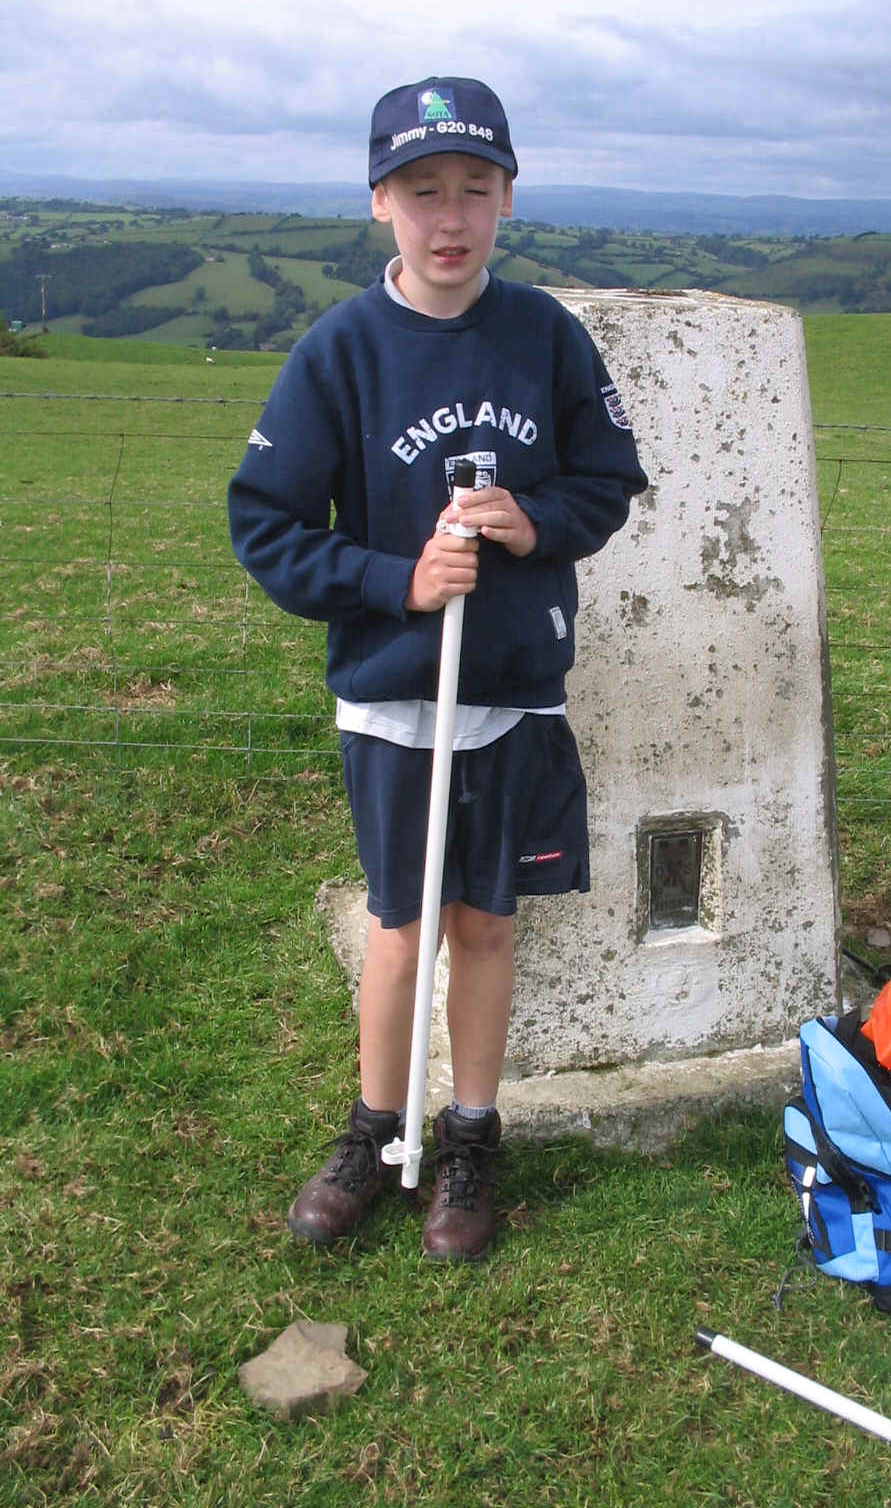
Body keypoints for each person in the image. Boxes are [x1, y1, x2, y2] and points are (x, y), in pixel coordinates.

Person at [228, 76, 647, 1262]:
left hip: (508, 690)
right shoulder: (341, 352)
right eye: (423, 193)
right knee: (401, 922)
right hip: (394, 690)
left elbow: (608, 481)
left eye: (474, 189)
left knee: (489, 922)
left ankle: (469, 1137)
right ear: (380, 204)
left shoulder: (545, 335)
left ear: (509, 196)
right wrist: (394, 583)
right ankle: (375, 1129)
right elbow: (266, 521)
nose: (449, 216)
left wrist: (535, 521)